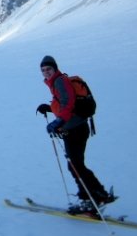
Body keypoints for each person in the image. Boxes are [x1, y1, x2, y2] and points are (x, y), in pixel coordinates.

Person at [36, 55, 115, 214]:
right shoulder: (56, 82)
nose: (46, 72)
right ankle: (97, 194)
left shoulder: (60, 81)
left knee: (75, 165)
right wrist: (50, 108)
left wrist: (58, 122)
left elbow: (69, 102)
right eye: (43, 70)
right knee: (76, 165)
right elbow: (65, 104)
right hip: (76, 128)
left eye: (48, 69)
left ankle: (91, 198)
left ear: (55, 68)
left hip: (74, 130)